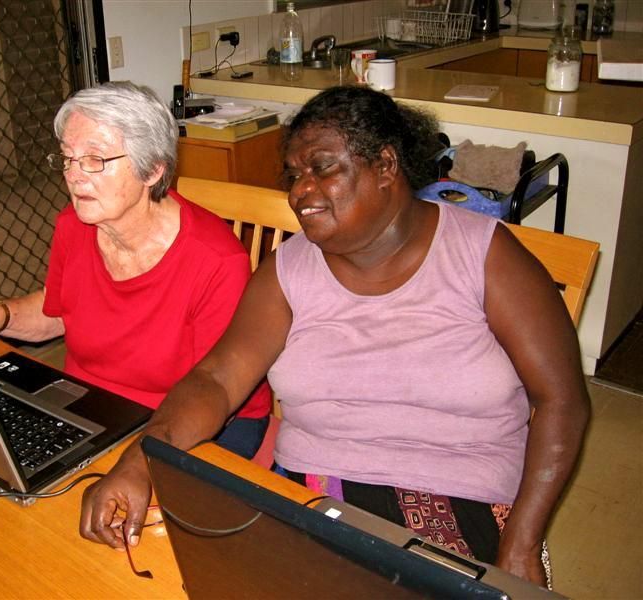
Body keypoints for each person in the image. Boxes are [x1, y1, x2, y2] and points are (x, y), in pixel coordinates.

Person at [78, 86, 589, 587]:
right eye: (295, 175)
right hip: (318, 489)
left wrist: (521, 544)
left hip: (466, 496)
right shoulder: (288, 271)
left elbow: (562, 401)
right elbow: (215, 379)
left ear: (386, 166)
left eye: (322, 169)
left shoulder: (484, 255)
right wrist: (139, 461)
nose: (300, 191)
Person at [0, 81, 271, 459]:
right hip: (91, 407)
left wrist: (135, 458)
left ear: (152, 171)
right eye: (68, 158)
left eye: (95, 159)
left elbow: (213, 388)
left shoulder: (215, 262)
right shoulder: (73, 225)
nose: (75, 175)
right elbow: (59, 312)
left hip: (189, 418)